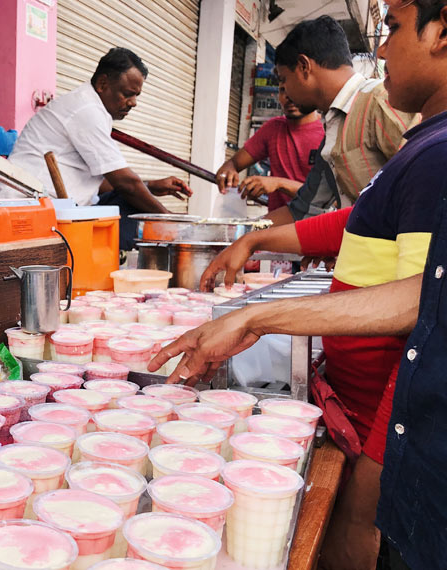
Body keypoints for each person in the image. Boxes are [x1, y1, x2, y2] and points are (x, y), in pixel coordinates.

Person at [149, 3, 447, 568]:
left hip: (382, 426)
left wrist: (252, 316)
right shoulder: (422, 146)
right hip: (358, 417)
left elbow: (422, 308)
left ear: (442, 30)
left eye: (395, 30)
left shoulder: (434, 150)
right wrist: (257, 240)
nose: (381, 50)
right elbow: (357, 221)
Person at [0, 47, 192, 250]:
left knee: (132, 208)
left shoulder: (93, 109)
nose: (133, 103)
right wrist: (169, 218)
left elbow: (97, 183)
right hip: (35, 209)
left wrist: (151, 186)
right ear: (102, 84)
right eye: (127, 94)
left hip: (65, 205)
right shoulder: (86, 110)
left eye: (136, 96)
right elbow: (126, 183)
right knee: (138, 219)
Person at [258, 16, 416, 227]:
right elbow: (303, 210)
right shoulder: (333, 131)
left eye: (284, 79)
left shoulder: (379, 101)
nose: (284, 92)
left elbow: (425, 190)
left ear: (304, 66)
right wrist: (241, 235)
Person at [214, 86, 324, 211]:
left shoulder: (329, 133)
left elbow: (330, 200)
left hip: (314, 224)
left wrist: (279, 183)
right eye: (283, 90)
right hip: (276, 224)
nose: (289, 96)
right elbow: (234, 163)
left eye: (297, 89)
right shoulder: (273, 128)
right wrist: (228, 170)